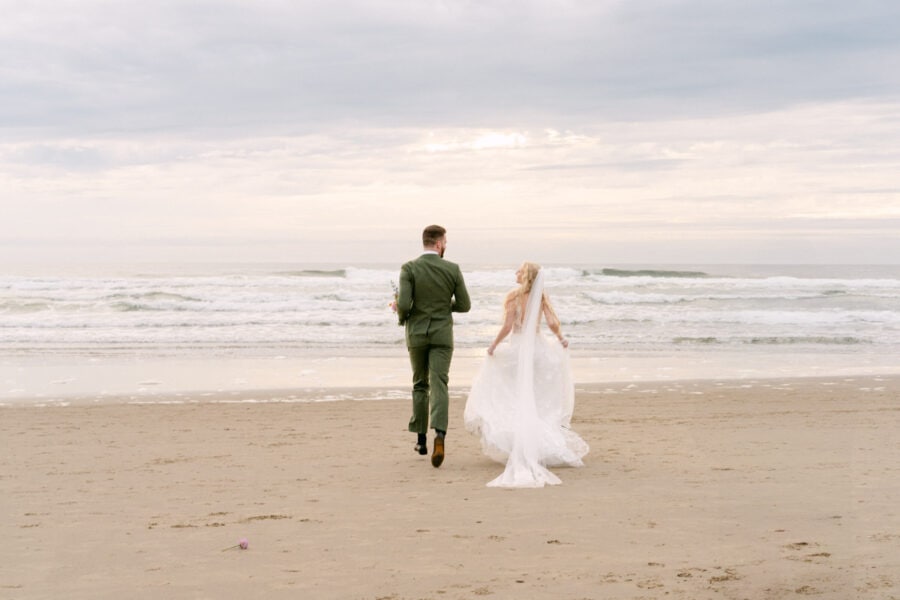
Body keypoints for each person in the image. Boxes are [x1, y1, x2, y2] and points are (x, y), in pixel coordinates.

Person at [464, 262, 588, 487]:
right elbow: (551, 322)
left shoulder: (513, 297)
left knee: (511, 395)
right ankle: (537, 442)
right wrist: (560, 339)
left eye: (519, 271)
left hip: (518, 351)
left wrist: (493, 345)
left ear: (526, 276)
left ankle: (516, 441)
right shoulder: (540, 296)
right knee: (536, 399)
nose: (515, 273)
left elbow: (509, 326)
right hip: (539, 352)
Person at [396, 225, 471, 468]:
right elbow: (464, 305)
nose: (445, 245)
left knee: (420, 383)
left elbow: (405, 304)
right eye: (445, 242)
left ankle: (421, 440)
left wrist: (399, 312)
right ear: (438, 244)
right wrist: (442, 305)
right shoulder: (452, 269)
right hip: (442, 335)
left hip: (417, 334)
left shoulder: (409, 268)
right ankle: (439, 434)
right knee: (440, 383)